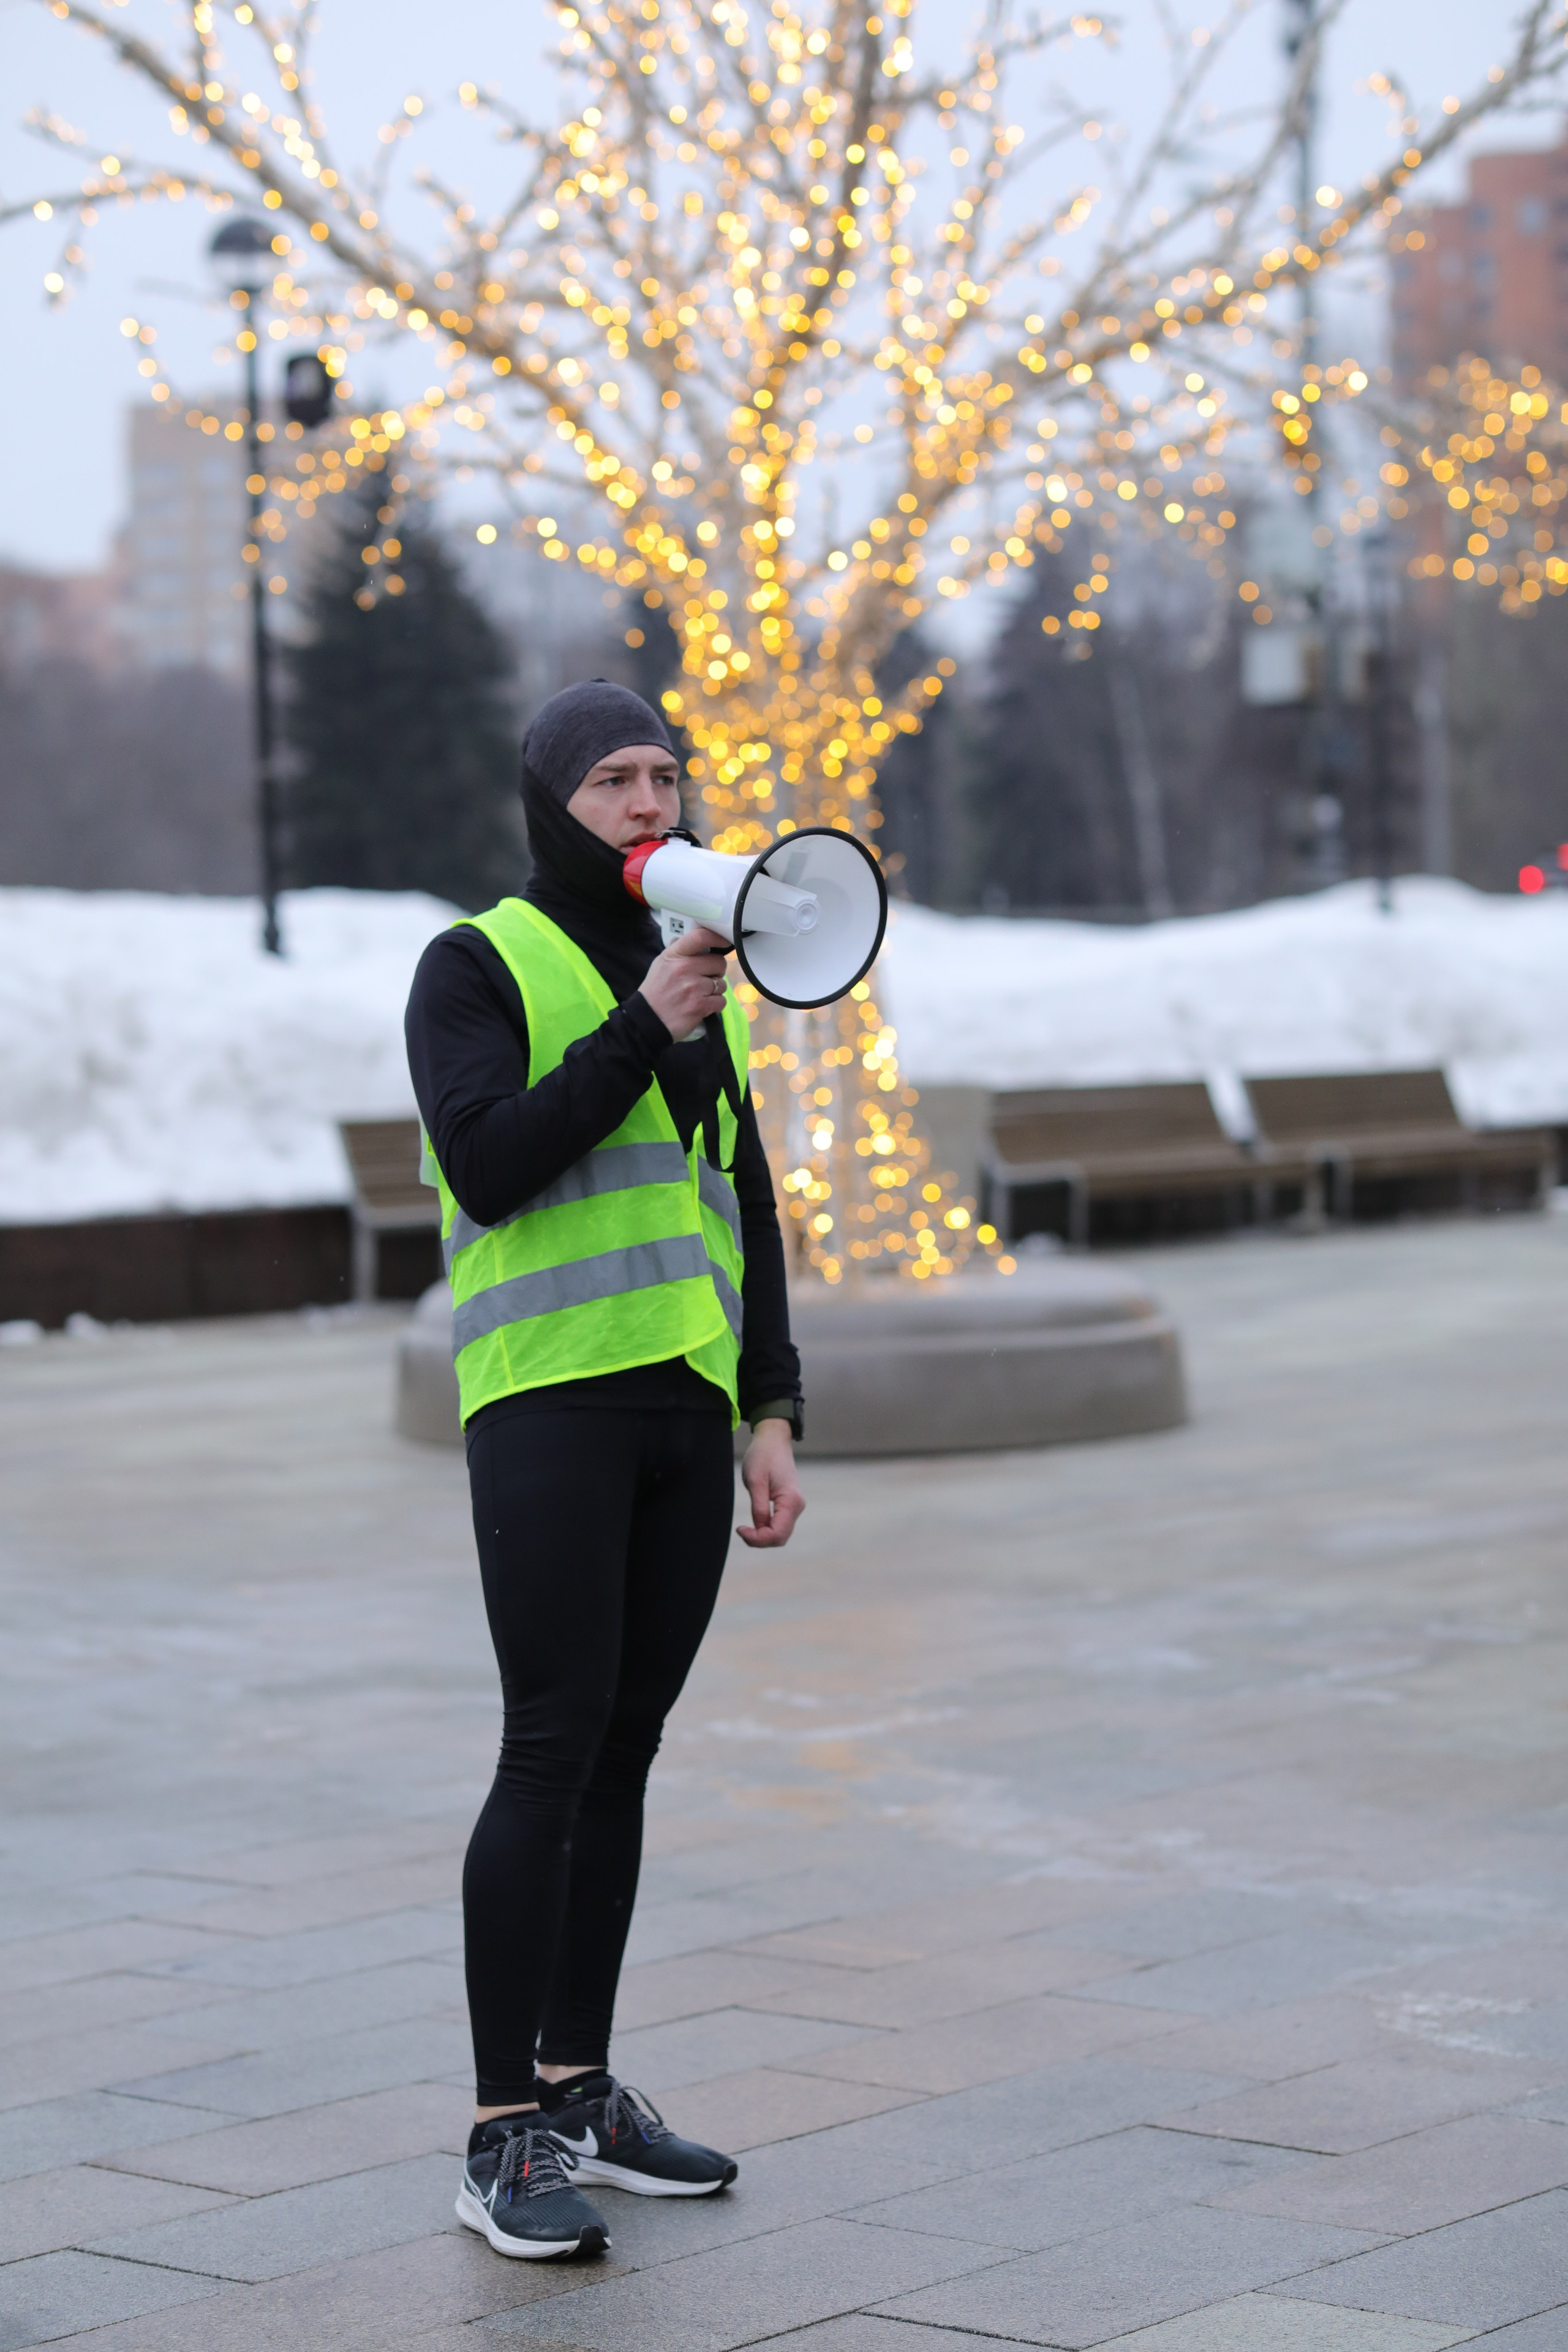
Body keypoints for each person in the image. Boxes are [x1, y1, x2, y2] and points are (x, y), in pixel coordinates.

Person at [405, 679, 804, 2261]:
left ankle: (579, 2087)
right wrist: (646, 1023)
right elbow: (491, 1165)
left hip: (679, 1411)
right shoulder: (475, 962)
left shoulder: (706, 984)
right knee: (552, 1747)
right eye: (616, 781)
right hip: (550, 1404)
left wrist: (770, 1406)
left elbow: (744, 1206)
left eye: (667, 775)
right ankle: (503, 2132)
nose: (651, 802)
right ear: (553, 805)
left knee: (627, 1751)